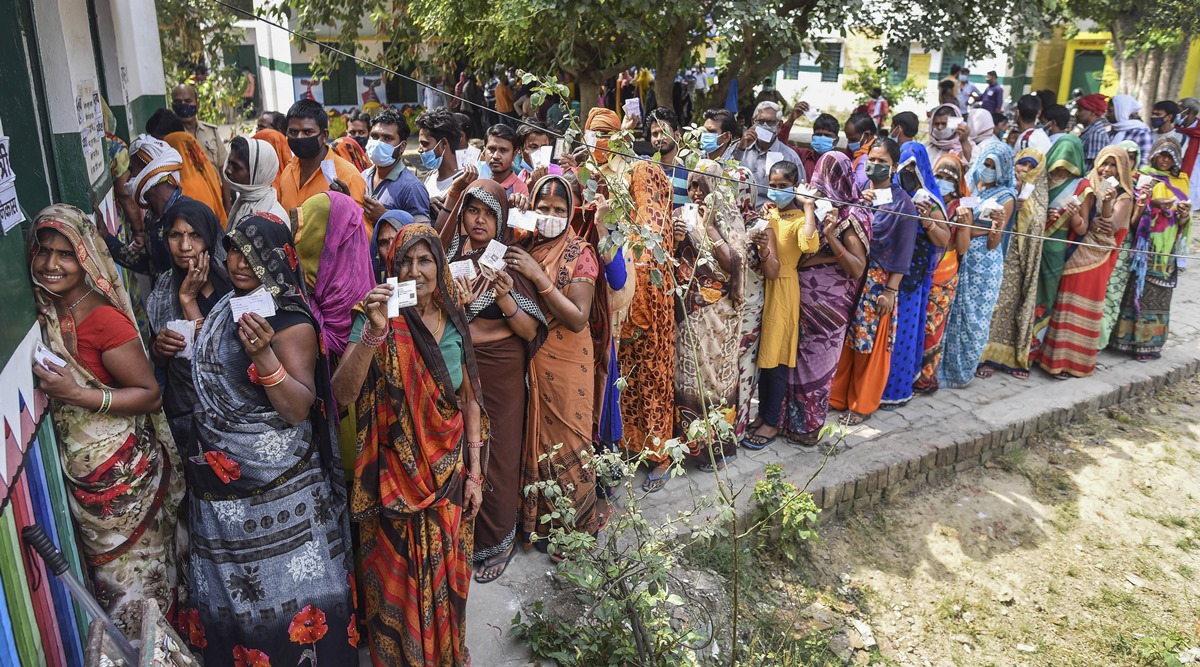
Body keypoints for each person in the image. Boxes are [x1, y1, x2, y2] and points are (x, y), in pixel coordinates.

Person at [188, 214, 356, 664]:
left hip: (282, 492)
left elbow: (298, 407)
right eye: (234, 249)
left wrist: (263, 354)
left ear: (279, 258)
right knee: (237, 605)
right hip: (224, 498)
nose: (241, 262)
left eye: (254, 252)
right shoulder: (230, 305)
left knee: (293, 605)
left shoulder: (290, 319)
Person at [334, 221, 486, 666]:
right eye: (405, 260)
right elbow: (342, 393)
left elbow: (469, 400)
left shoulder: (455, 316)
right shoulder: (374, 314)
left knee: (448, 583)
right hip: (394, 485)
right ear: (391, 266)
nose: (415, 270)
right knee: (397, 590)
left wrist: (475, 474)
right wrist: (374, 333)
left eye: (425, 260)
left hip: (449, 480)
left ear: (439, 265)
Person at [29, 204, 184, 635]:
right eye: (44, 251)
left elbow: (150, 395)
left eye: (65, 253)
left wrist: (79, 394)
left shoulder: (102, 318)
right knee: (115, 596)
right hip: (92, 492)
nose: (52, 264)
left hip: (124, 487)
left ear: (86, 257)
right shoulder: (49, 306)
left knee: (138, 599)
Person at [437, 178, 547, 582]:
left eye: (487, 213)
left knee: (495, 453)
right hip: (461, 366)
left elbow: (530, 331)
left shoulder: (508, 260)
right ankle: (466, 531)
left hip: (498, 369)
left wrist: (502, 298)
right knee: (465, 450)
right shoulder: (452, 252)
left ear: (500, 218)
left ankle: (497, 538)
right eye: (471, 210)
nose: (478, 220)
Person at [501, 175, 603, 550]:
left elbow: (578, 316)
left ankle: (576, 529)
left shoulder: (580, 252)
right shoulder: (525, 242)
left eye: (559, 210)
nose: (550, 215)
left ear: (571, 211)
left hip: (568, 360)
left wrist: (537, 276)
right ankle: (540, 523)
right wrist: (517, 216)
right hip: (533, 356)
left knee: (569, 439)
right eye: (543, 208)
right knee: (536, 437)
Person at [778, 152, 870, 442]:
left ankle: (807, 429)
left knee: (817, 365)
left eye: (827, 174)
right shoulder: (809, 207)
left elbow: (856, 268)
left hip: (830, 307)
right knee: (793, 361)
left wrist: (830, 237)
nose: (820, 180)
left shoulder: (854, 214)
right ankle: (785, 422)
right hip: (799, 299)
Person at [666, 160, 749, 467]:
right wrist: (674, 237)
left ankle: (717, 452)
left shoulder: (728, 217)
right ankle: (690, 450)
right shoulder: (680, 215)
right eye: (692, 186)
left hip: (720, 320)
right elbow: (671, 259)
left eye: (703, 185)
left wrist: (710, 226)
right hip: (688, 319)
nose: (697, 192)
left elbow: (733, 264)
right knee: (687, 381)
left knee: (717, 384)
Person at [830, 138, 918, 424]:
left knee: (867, 345)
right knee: (844, 340)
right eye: (873, 159)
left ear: (893, 167)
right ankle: (837, 396)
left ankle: (861, 405)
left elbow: (903, 251)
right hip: (848, 277)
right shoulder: (857, 191)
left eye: (883, 162)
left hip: (877, 283)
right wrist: (857, 205)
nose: (876, 165)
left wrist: (890, 290)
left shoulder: (902, 203)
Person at [739, 161, 819, 449]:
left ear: (795, 186)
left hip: (783, 287)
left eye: (783, 186)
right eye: (773, 185)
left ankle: (771, 422)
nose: (776, 190)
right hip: (763, 287)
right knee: (763, 355)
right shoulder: (770, 212)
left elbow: (809, 245)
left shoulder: (799, 218)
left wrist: (809, 207)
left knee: (777, 359)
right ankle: (762, 415)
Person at [1036, 146, 1134, 377]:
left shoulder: (1124, 195)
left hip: (1097, 255)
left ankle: (1076, 363)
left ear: (1122, 170)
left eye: (1114, 166)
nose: (1107, 170)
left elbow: (1110, 227)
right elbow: (1082, 222)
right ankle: (1052, 359)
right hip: (1075, 248)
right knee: (1064, 299)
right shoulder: (1086, 185)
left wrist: (1108, 205)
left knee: (1084, 301)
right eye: (1104, 163)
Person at [146, 200, 233, 447]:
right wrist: (159, 348)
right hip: (185, 411)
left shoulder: (231, 287)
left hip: (227, 413)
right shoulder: (164, 287)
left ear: (209, 237)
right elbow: (160, 358)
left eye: (195, 235)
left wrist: (188, 300)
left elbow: (219, 358)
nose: (185, 246)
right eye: (176, 235)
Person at [617, 162, 678, 492]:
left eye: (637, 186)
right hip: (632, 320)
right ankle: (634, 444)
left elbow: (646, 267)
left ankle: (659, 456)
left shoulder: (652, 221)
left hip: (650, 325)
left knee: (652, 387)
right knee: (631, 385)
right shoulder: (635, 218)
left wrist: (635, 318)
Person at [937, 141, 1016, 388]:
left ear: (1003, 168)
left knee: (973, 320)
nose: (986, 168)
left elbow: (994, 240)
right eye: (985, 162)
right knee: (951, 314)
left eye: (992, 165)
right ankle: (940, 369)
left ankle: (961, 374)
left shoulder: (1006, 196)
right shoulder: (969, 186)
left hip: (985, 266)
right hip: (961, 257)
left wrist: (976, 228)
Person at [880, 142, 951, 407]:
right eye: (903, 167)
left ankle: (894, 390)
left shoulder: (928, 200)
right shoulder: (890, 192)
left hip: (913, 278)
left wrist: (927, 221)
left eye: (913, 168)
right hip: (884, 272)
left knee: (903, 335)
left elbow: (943, 239)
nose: (908, 174)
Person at [1112, 137, 1192, 360]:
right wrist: (1153, 205)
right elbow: (1132, 215)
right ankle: (1125, 341)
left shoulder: (1181, 181)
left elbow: (1183, 223)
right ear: (1154, 154)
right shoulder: (1141, 176)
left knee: (1160, 294)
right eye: (1162, 155)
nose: (1165, 160)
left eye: (1170, 156)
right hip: (1143, 244)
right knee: (1135, 289)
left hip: (1166, 250)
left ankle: (1150, 344)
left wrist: (1183, 215)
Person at [979, 148, 1049, 378]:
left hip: (1022, 260)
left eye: (1031, 167)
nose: (1024, 170)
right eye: (1022, 164)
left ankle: (1010, 358)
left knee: (1013, 305)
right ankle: (985, 357)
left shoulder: (1039, 194)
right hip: (999, 253)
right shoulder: (1002, 188)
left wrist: (1026, 209)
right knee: (995, 304)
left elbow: (1038, 223)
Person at [1028, 135, 1095, 363]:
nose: (1062, 169)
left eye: (1068, 163)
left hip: (1055, 249)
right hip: (1031, 242)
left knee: (1045, 297)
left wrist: (1073, 214)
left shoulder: (1082, 188)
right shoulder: (1040, 178)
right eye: (1059, 162)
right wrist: (1043, 214)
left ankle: (1034, 348)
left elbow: (1083, 227)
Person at [913, 154, 973, 394]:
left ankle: (927, 379)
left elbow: (963, 248)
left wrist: (965, 224)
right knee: (918, 324)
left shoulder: (961, 207)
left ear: (958, 182)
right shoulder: (927, 198)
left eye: (949, 177)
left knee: (932, 327)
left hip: (945, 273)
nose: (943, 181)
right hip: (924, 270)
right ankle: (912, 372)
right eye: (939, 175)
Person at [104, 136, 191, 277]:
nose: (129, 178)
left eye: (132, 170)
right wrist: (107, 239)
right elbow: (152, 268)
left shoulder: (187, 216)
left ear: (148, 168)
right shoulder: (152, 217)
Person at [279, 99, 367, 213]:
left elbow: (363, 228)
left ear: (324, 135)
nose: (299, 137)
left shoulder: (348, 176)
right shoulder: (288, 172)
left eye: (307, 132)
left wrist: (345, 211)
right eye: (293, 132)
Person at [361, 108, 431, 225]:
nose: (379, 143)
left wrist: (385, 218)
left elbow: (422, 234)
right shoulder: (363, 177)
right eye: (374, 136)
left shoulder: (412, 188)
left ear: (402, 146)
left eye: (387, 138)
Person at [734, 102, 806, 206]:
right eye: (761, 121)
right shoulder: (740, 147)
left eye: (770, 122)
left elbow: (801, 196)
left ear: (779, 125)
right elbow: (726, 176)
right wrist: (740, 149)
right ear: (753, 122)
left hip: (772, 216)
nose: (765, 126)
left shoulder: (790, 156)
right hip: (738, 210)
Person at [224, 136, 288, 225]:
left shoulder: (273, 217)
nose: (228, 170)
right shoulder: (242, 202)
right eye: (229, 163)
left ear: (258, 172)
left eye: (235, 166)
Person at [171, 83, 228, 178]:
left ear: (197, 105)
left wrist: (226, 193)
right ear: (173, 106)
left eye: (188, 101)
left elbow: (223, 167)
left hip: (215, 191)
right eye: (178, 102)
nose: (183, 105)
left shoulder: (211, 131)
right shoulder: (172, 137)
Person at [416, 107, 464, 209]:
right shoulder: (429, 177)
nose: (419, 149)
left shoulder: (463, 182)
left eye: (425, 144)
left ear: (443, 144)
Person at [648, 107, 690, 209]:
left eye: (664, 132)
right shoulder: (646, 166)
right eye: (655, 134)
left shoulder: (689, 173)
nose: (659, 138)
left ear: (677, 136)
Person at [483, 123, 529, 196]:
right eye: (492, 149)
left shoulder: (520, 191)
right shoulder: (478, 181)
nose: (496, 156)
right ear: (484, 151)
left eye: (503, 150)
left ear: (514, 155)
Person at [1110, 94, 1154, 167]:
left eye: (1110, 111)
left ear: (1121, 112)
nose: (1107, 114)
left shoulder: (1141, 133)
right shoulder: (1114, 130)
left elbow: (1144, 162)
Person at [1075, 94, 1111, 171]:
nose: (1076, 113)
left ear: (1093, 113)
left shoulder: (1096, 133)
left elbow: (1093, 166)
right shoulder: (1090, 131)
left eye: (1080, 110)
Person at [846, 113, 878, 190]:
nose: (849, 143)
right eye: (848, 139)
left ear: (866, 134)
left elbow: (857, 185)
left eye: (853, 140)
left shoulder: (868, 157)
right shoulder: (859, 153)